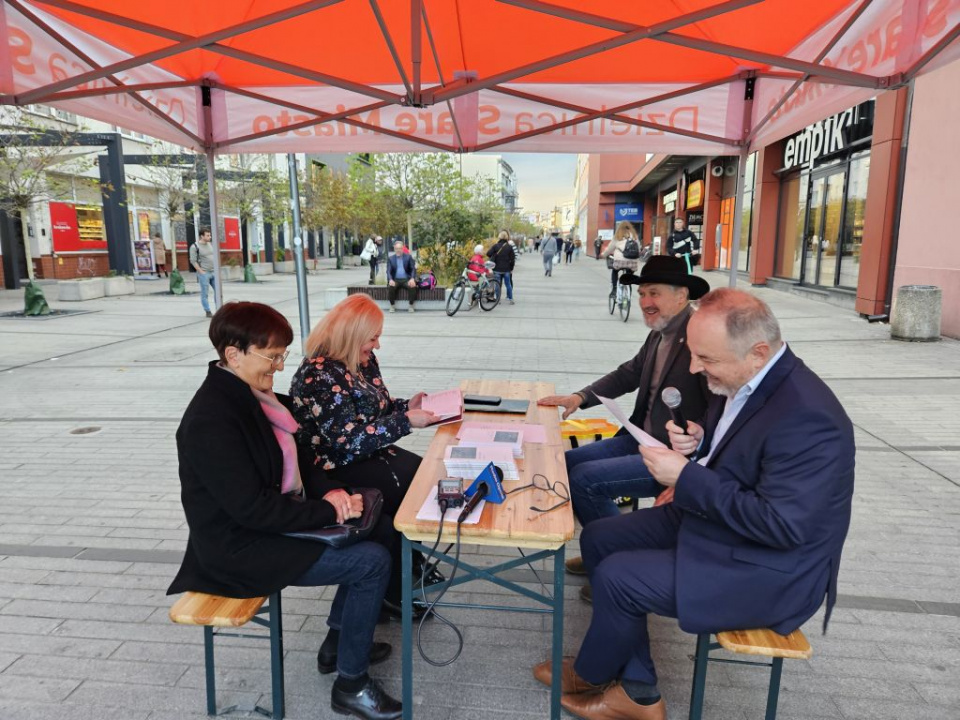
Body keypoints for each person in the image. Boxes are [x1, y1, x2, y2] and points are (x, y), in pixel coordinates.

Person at [534, 288, 855, 720]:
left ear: (758, 352)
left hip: (770, 568)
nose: (693, 367)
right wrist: (701, 442)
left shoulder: (808, 416)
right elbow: (735, 447)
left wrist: (685, 476)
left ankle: (631, 693)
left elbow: (783, 525)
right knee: (600, 536)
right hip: (721, 525)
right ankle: (627, 677)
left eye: (706, 359)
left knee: (618, 577)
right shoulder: (749, 379)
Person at [168, 301, 402, 720]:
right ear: (233, 354)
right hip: (239, 548)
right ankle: (351, 685)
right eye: (271, 356)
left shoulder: (259, 398)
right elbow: (252, 510)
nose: (278, 367)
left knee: (380, 527)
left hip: (271, 524)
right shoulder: (211, 420)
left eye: (282, 355)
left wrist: (332, 495)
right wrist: (328, 514)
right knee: (371, 562)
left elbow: (304, 462)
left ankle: (338, 643)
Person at [538, 256, 712, 592]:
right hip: (638, 438)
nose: (645, 302)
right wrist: (580, 397)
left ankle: (619, 563)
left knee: (585, 480)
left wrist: (698, 446)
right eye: (642, 293)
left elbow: (721, 405)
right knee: (565, 463)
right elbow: (629, 373)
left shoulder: (699, 338)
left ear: (681, 296)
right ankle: (605, 550)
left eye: (655, 293)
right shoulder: (661, 332)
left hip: (672, 456)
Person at [289, 294, 443, 618]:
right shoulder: (318, 373)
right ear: (353, 334)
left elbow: (379, 407)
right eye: (373, 337)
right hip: (330, 465)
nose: (377, 344)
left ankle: (407, 568)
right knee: (406, 489)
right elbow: (345, 442)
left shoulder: (362, 360)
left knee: (423, 474)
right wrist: (404, 422)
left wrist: (408, 407)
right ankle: (398, 582)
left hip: (364, 453)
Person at [600, 221, 641, 295]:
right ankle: (628, 293)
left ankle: (614, 289)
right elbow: (639, 248)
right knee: (629, 276)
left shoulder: (618, 236)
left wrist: (603, 255)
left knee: (615, 271)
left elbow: (610, 248)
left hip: (620, 261)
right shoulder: (635, 236)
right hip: (632, 262)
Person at [189, 227, 216, 318]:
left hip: (214, 272)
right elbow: (193, 261)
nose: (210, 237)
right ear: (202, 236)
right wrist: (201, 271)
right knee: (205, 293)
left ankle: (219, 310)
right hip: (204, 273)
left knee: (218, 292)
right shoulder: (194, 247)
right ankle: (207, 311)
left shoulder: (210, 244)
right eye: (208, 235)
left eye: (210, 235)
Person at [386, 240, 417, 313]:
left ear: (402, 248)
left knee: (412, 286)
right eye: (396, 248)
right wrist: (390, 280)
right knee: (391, 287)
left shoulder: (408, 257)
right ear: (394, 249)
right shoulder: (391, 259)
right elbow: (388, 271)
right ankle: (392, 306)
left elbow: (413, 269)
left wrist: (412, 278)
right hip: (395, 280)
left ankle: (411, 305)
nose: (398, 250)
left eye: (399, 248)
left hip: (406, 279)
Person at [488, 230, 516, 304]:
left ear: (499, 236)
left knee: (497, 284)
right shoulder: (509, 247)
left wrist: (494, 255)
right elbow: (512, 259)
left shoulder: (495, 246)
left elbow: (488, 253)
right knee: (508, 284)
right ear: (506, 237)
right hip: (506, 269)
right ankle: (511, 299)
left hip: (497, 269)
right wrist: (511, 268)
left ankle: (498, 299)